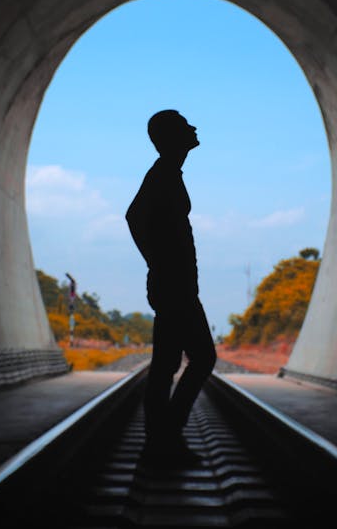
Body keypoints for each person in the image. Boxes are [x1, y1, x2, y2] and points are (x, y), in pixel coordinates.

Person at [126, 110, 217, 466]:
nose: (194, 127)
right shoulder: (162, 173)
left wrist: (157, 262)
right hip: (174, 286)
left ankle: (160, 442)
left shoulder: (167, 173)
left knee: (166, 364)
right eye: (184, 125)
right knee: (200, 358)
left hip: (174, 284)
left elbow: (136, 218)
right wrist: (157, 262)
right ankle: (165, 440)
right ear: (170, 137)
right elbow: (134, 217)